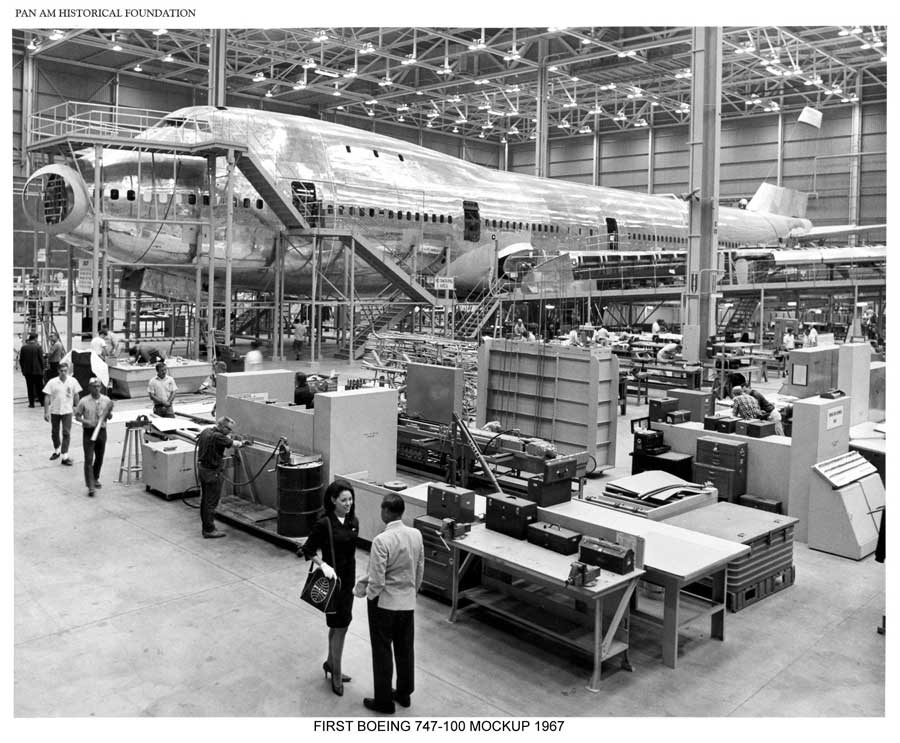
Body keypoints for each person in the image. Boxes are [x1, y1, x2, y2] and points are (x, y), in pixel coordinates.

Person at [355, 492, 424, 714]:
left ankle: (383, 701)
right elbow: (420, 568)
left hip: (384, 605)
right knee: (405, 649)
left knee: (382, 651)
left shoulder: (381, 541)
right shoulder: (416, 535)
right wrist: (413, 592)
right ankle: (404, 694)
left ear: (385, 511)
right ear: (402, 512)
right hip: (407, 603)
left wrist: (370, 596)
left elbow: (377, 578)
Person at [301, 479, 360, 696]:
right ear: (333, 500)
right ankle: (336, 672)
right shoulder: (324, 523)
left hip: (349, 581)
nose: (348, 503)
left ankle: (330, 662)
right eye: (343, 500)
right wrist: (322, 564)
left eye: (350, 499)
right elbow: (307, 549)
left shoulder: (354, 521)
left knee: (339, 626)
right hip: (333, 580)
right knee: (340, 625)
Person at [195, 416, 244, 538]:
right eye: (229, 429)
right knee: (211, 502)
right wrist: (244, 443)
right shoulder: (218, 437)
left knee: (205, 500)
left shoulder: (206, 431)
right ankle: (209, 530)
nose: (230, 432)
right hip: (212, 473)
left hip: (203, 470)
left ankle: (206, 526)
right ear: (222, 427)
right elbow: (235, 444)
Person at [73, 378, 114, 497]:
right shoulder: (84, 401)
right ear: (89, 387)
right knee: (89, 458)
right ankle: (90, 485)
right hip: (88, 432)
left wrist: (108, 413)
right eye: (94, 386)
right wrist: (86, 421)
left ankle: (95, 477)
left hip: (101, 431)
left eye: (98, 386)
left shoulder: (106, 400)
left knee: (100, 457)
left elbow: (110, 417)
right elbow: (77, 416)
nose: (96, 388)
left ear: (101, 387)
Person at [42, 361, 82, 466]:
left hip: (67, 411)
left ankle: (65, 456)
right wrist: (46, 411)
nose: (63, 373)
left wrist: (77, 408)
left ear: (67, 370)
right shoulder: (52, 382)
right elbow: (46, 397)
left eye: (65, 370)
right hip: (55, 410)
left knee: (66, 433)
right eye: (61, 371)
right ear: (58, 371)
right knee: (55, 432)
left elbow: (76, 394)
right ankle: (57, 450)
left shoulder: (73, 381)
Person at [19, 333, 45, 408]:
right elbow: (41, 360)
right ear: (36, 338)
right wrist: (42, 369)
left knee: (29, 387)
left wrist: (23, 370)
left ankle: (31, 404)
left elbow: (21, 360)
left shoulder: (23, 348)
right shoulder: (38, 347)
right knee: (39, 387)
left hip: (27, 372)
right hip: (37, 371)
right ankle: (42, 402)